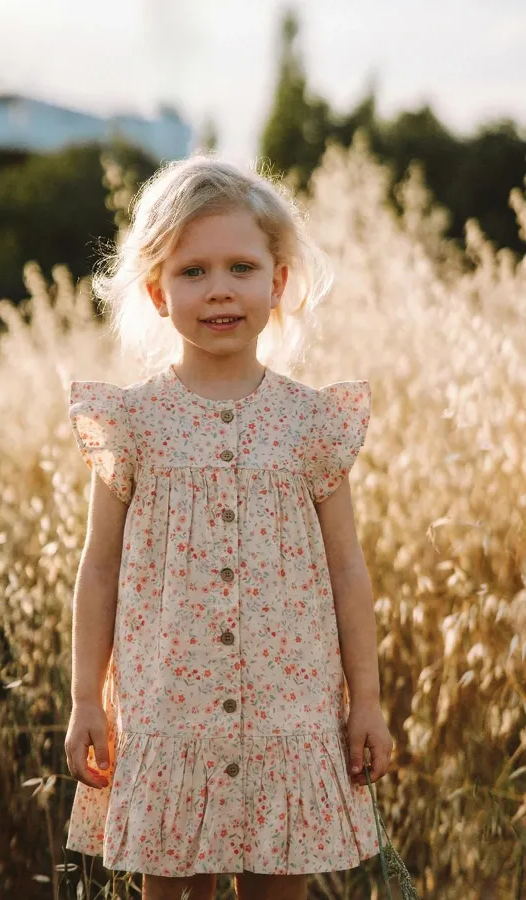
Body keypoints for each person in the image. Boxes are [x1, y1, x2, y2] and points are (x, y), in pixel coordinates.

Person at [64, 153, 393, 900]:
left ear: (277, 283)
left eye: (241, 267)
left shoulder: (312, 423)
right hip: (166, 712)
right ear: (156, 292)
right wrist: (87, 698)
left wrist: (366, 702)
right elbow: (100, 570)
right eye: (193, 272)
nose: (219, 289)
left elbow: (347, 569)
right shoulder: (132, 424)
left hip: (291, 711)